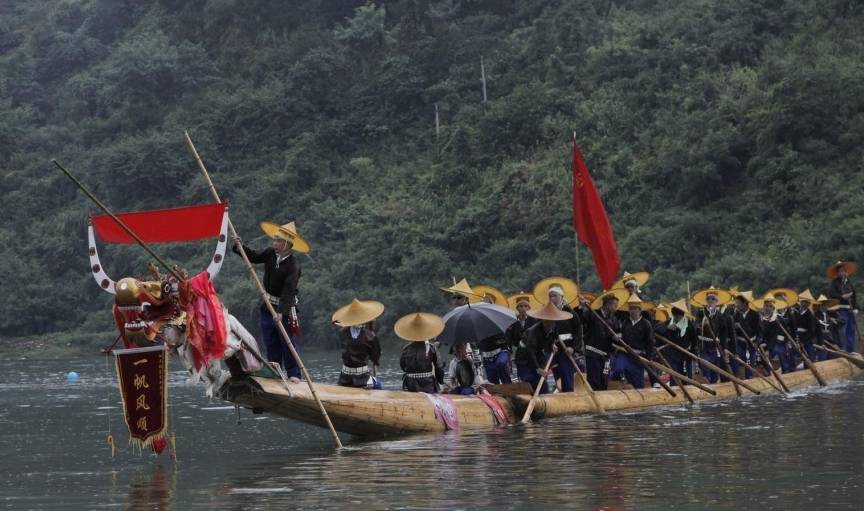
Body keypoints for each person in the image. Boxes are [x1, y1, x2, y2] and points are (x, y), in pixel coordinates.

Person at [232, 220, 309, 379]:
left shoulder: (293, 266)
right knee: (270, 341)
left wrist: (281, 312)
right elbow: (253, 256)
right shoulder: (270, 254)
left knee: (287, 343)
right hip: (267, 307)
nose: (274, 243)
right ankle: (275, 372)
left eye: (278, 241)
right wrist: (240, 247)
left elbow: (289, 291)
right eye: (275, 239)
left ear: (287, 244)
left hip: (285, 310)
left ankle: (294, 375)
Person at [515, 302, 574, 394]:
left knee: (543, 384)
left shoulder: (554, 327)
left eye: (551, 321)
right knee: (529, 380)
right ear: (542, 320)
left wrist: (552, 345)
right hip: (524, 358)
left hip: (537, 355)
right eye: (546, 321)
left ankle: (543, 400)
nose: (549, 323)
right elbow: (530, 351)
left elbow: (552, 339)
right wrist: (538, 368)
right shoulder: (533, 331)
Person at [579, 289, 627, 390]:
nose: (616, 308)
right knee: (594, 380)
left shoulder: (614, 319)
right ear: (607, 305)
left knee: (604, 379)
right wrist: (582, 307)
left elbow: (617, 334)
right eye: (614, 306)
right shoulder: (593, 314)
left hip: (606, 356)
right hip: (592, 354)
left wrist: (617, 337)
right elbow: (581, 319)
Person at [331, 299, 384, 388]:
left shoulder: (342, 332)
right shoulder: (370, 336)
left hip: (345, 377)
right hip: (361, 378)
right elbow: (375, 358)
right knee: (379, 386)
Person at [610, 294, 654, 389]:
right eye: (630, 309)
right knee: (618, 369)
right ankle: (618, 383)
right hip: (625, 353)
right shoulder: (625, 322)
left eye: (635, 309)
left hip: (638, 356)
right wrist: (617, 337)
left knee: (639, 385)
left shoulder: (646, 324)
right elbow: (619, 336)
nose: (632, 311)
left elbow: (650, 342)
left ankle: (631, 384)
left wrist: (648, 359)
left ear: (639, 310)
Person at [547, 285, 585, 392]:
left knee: (566, 374)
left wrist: (573, 348)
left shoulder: (570, 312)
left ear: (561, 297)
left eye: (554, 296)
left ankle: (569, 394)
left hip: (566, 349)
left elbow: (578, 332)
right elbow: (544, 333)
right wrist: (550, 344)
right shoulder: (547, 313)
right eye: (550, 296)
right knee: (552, 372)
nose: (552, 299)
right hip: (553, 350)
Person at [396, 312, 446, 393]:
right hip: (428, 385)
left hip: (410, 385)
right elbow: (439, 368)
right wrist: (440, 381)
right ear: (426, 331)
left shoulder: (406, 349)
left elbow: (403, 366)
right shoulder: (432, 348)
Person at [692, 287, 733, 383]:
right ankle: (707, 381)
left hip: (715, 345)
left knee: (715, 367)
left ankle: (715, 384)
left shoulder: (720, 316)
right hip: (703, 344)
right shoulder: (700, 313)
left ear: (716, 302)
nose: (710, 300)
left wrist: (725, 348)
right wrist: (701, 324)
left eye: (713, 299)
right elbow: (696, 326)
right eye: (708, 299)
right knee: (705, 365)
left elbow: (723, 333)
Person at [755, 294, 794, 373]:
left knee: (780, 353)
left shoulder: (779, 319)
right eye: (766, 306)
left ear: (773, 308)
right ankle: (766, 373)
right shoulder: (761, 320)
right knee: (761, 357)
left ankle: (785, 372)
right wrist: (760, 343)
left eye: (770, 306)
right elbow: (760, 334)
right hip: (765, 344)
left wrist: (787, 343)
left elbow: (784, 334)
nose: (767, 308)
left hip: (778, 343)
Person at [659, 299, 697, 380]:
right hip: (672, 354)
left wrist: (693, 352)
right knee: (674, 377)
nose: (675, 318)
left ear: (682, 315)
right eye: (674, 315)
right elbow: (657, 328)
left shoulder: (689, 325)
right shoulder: (670, 322)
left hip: (685, 354)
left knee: (686, 378)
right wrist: (667, 328)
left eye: (677, 316)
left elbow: (694, 340)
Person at [827, 261, 859, 352]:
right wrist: (842, 297)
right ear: (838, 273)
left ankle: (851, 350)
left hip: (850, 309)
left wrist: (856, 307)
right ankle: (843, 349)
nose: (843, 273)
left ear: (846, 272)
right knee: (842, 330)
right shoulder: (835, 283)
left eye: (844, 271)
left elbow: (854, 296)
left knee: (851, 330)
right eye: (841, 271)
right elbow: (831, 295)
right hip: (841, 309)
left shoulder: (849, 282)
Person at [732, 291, 761, 378]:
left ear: (744, 303)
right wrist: (734, 327)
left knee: (750, 364)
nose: (736, 305)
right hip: (740, 343)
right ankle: (740, 378)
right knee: (739, 361)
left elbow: (760, 331)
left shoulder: (755, 315)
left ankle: (749, 378)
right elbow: (732, 332)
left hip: (752, 344)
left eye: (738, 303)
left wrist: (757, 343)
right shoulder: (735, 315)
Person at [795, 290, 818, 361]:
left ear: (808, 304)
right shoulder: (796, 313)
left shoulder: (810, 315)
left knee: (809, 356)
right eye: (802, 302)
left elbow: (812, 330)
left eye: (806, 302)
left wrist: (804, 341)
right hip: (797, 338)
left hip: (807, 339)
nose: (804, 303)